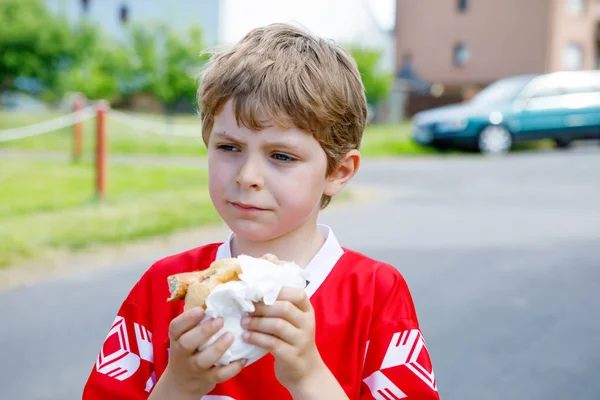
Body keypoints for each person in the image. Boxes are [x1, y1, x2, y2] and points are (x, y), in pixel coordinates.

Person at [82, 23, 439, 400]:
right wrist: (178, 385)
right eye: (229, 148)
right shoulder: (164, 288)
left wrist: (308, 376)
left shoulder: (373, 295)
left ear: (337, 172)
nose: (247, 176)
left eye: (281, 156)